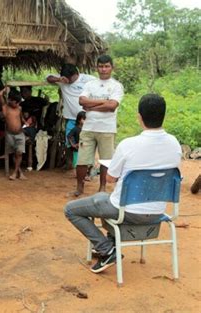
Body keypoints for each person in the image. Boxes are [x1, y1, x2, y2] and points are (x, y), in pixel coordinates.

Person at [64, 94, 182, 273]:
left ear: (139, 117)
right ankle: (111, 243)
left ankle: (106, 249)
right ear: (163, 115)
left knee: (71, 210)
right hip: (158, 211)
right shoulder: (175, 144)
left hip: (127, 211)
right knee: (103, 198)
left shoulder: (128, 145)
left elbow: (110, 178)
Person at [69, 55, 124, 197]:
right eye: (101, 66)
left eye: (106, 66)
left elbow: (112, 106)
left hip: (107, 129)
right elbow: (82, 101)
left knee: (105, 160)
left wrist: (92, 106)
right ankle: (79, 187)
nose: (103, 69)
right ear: (96, 67)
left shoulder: (116, 86)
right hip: (88, 128)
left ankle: (102, 187)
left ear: (112, 67)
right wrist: (103, 102)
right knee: (82, 160)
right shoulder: (90, 84)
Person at [46, 64, 96, 167]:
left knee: (87, 143)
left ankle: (88, 166)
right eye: (66, 78)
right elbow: (48, 78)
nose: (68, 80)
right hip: (71, 119)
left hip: (86, 119)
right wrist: (60, 79)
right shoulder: (62, 81)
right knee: (69, 142)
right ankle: (70, 165)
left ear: (76, 74)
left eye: (70, 78)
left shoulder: (88, 80)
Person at [0, 87, 27, 180]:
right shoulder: (5, 107)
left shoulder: (19, 108)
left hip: (20, 134)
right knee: (15, 154)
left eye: (19, 102)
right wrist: (6, 88)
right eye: (16, 102)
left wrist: (25, 122)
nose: (18, 104)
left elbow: (21, 118)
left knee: (19, 153)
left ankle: (15, 173)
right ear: (10, 100)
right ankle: (19, 172)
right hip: (10, 134)